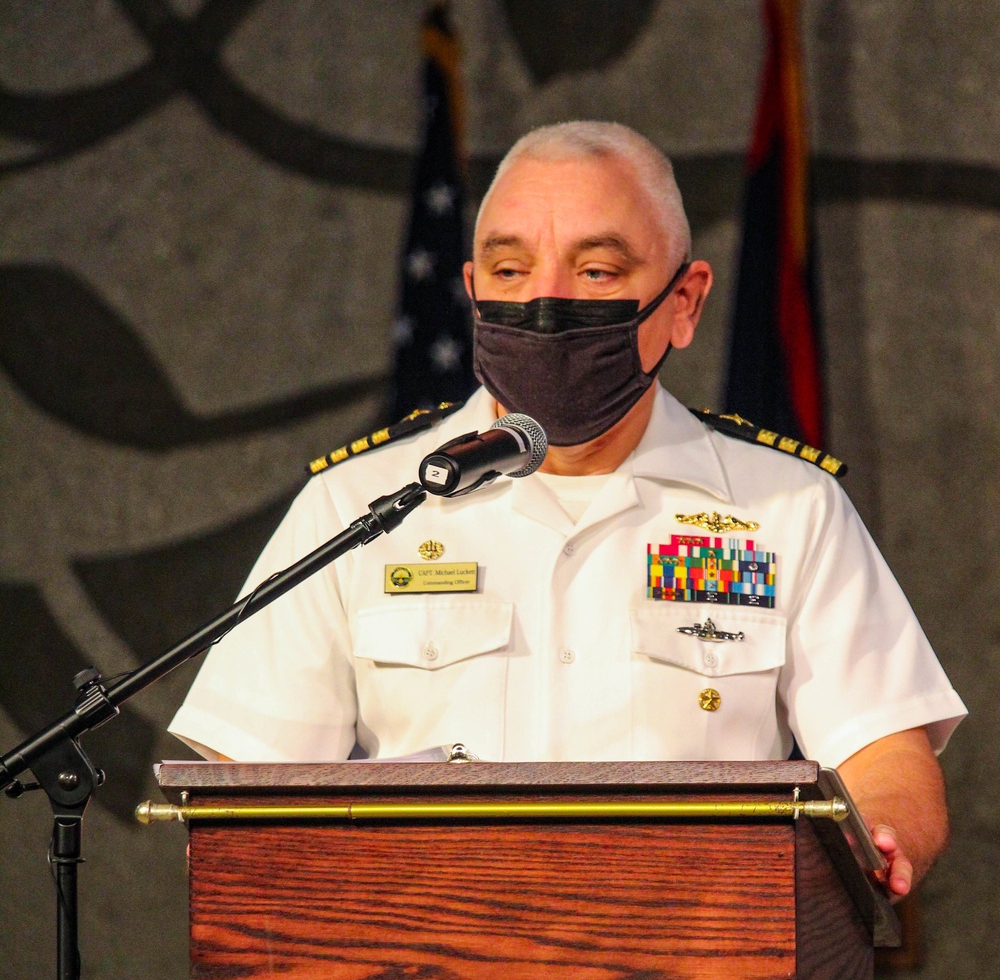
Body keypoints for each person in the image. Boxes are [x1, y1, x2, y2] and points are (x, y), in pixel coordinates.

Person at [169, 121, 966, 900]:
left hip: (703, 979)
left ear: (683, 302)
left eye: (595, 273)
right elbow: (241, 784)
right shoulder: (362, 507)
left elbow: (883, 756)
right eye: (511, 271)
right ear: (473, 292)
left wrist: (879, 833)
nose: (545, 302)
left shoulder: (788, 508)